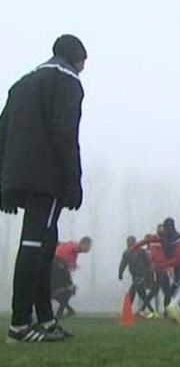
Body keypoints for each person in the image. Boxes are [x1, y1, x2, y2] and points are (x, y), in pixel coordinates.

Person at [0, 35, 87, 343]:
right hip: (45, 178)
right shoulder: (67, 82)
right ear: (77, 58)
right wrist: (73, 180)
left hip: (21, 176)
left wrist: (5, 183)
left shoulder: (22, 83)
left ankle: (46, 320)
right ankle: (20, 325)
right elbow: (65, 132)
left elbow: (3, 130)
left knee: (46, 245)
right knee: (35, 245)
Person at [132, 220, 180, 318]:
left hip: (163, 269)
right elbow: (151, 250)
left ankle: (163, 311)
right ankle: (145, 309)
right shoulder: (157, 241)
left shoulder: (165, 240)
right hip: (158, 270)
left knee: (165, 292)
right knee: (156, 291)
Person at [52, 237, 92, 320]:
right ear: (83, 244)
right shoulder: (72, 247)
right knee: (67, 290)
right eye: (88, 246)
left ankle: (66, 311)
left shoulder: (74, 250)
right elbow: (65, 262)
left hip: (57, 269)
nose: (89, 249)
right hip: (56, 269)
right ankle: (64, 312)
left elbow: (70, 265)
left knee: (64, 291)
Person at [118, 236, 156, 319]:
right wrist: (120, 273)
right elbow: (123, 264)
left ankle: (127, 311)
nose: (130, 244)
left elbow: (149, 262)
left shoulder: (141, 251)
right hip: (135, 276)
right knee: (142, 294)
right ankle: (151, 311)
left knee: (132, 292)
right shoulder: (127, 253)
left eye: (131, 242)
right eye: (128, 242)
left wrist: (149, 273)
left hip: (143, 275)